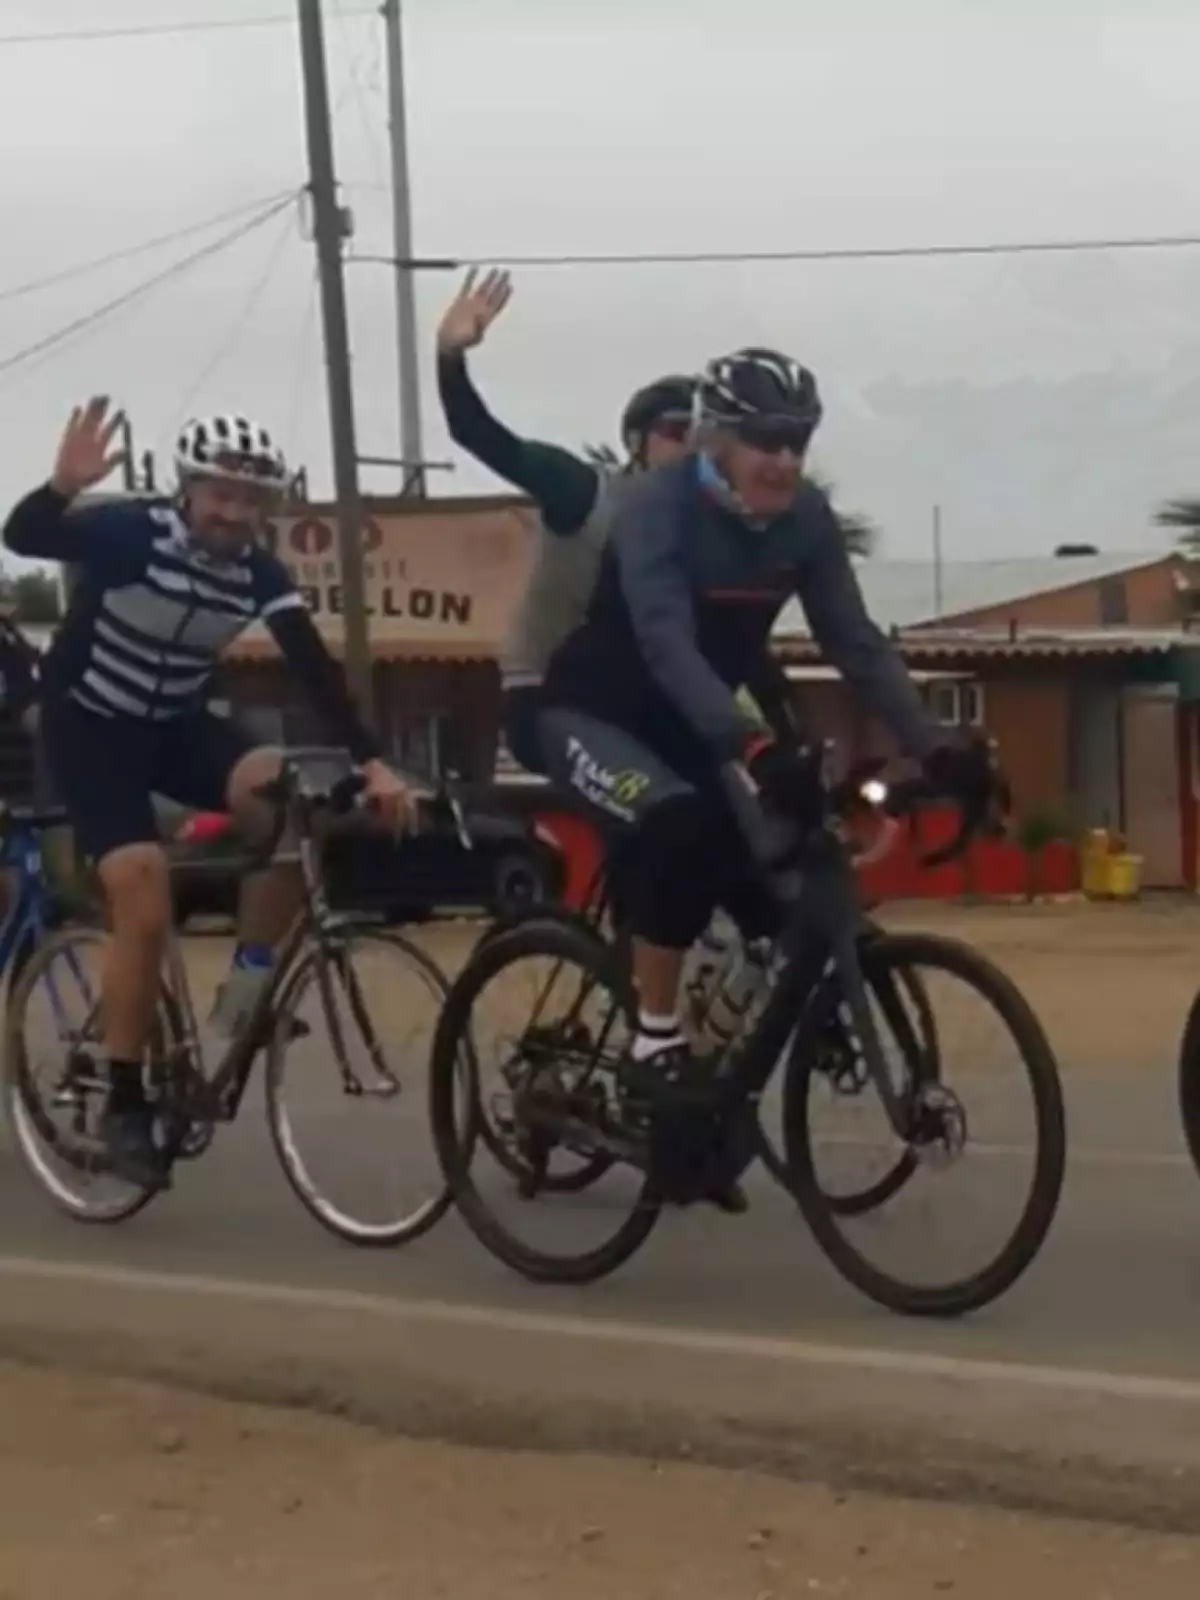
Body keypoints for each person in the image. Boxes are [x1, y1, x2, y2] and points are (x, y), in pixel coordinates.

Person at [539, 347, 1001, 1209]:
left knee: (784, 880)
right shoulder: (656, 509)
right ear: (716, 438)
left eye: (798, 440)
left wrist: (935, 746)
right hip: (596, 714)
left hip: (700, 728)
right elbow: (667, 644)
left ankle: (711, 1103)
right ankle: (651, 1039)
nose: (785, 459)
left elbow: (855, 644)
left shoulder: (805, 521)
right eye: (765, 440)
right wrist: (750, 745)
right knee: (677, 833)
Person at [2, 397, 410, 1188]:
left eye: (249, 499)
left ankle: (247, 988)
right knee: (143, 893)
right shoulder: (131, 536)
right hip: (90, 728)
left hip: (178, 725)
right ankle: (124, 1099)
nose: (232, 511)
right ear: (187, 490)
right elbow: (25, 537)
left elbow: (316, 672)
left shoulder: (258, 571)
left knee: (301, 802)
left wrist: (374, 763)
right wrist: (60, 488)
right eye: (219, 493)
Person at [436, 268, 719, 772]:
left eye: (706, 439)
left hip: (642, 702)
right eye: (677, 432)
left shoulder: (707, 526)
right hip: (550, 701)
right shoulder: (586, 492)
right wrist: (450, 356)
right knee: (667, 820)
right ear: (635, 442)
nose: (692, 449)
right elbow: (477, 433)